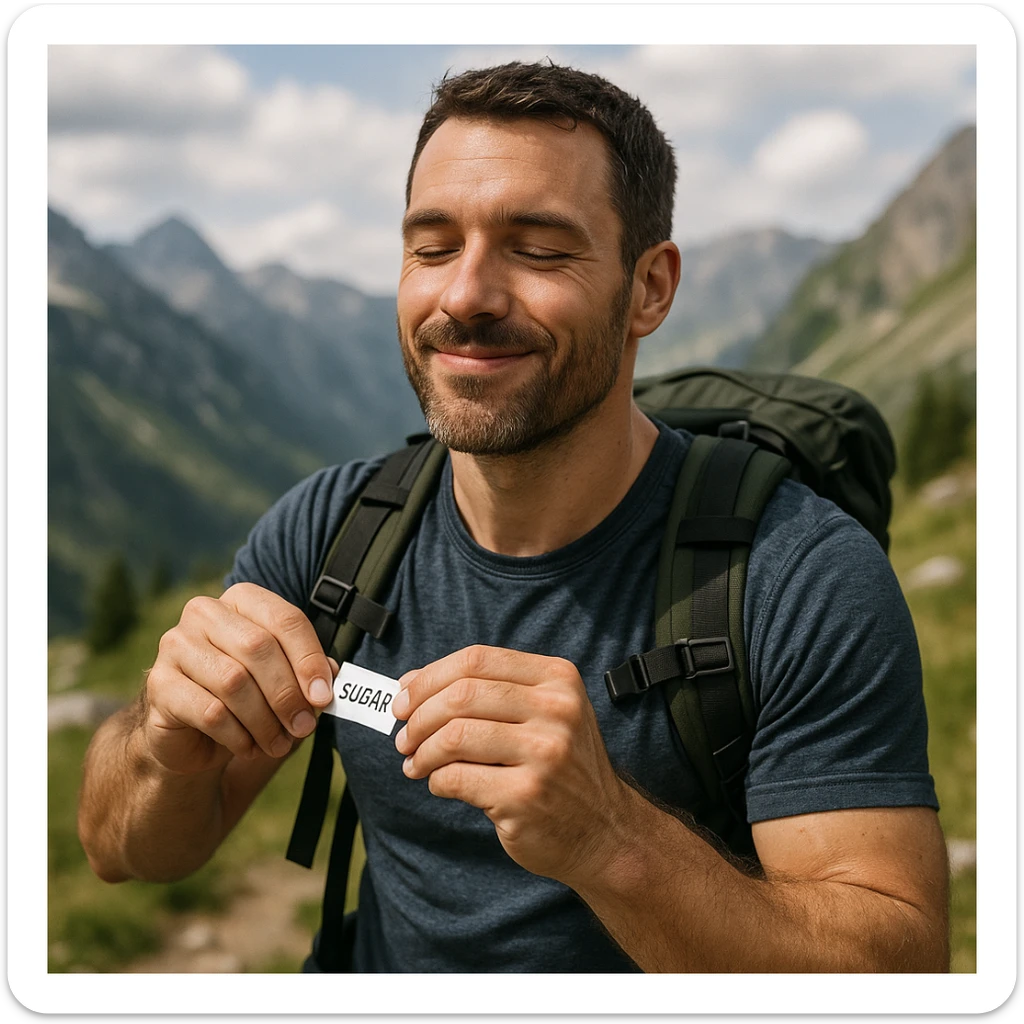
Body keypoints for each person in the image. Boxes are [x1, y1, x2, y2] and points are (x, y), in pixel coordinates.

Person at [77, 61, 949, 973]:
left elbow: (900, 969)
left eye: (538, 248)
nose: (465, 296)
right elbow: (125, 850)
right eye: (433, 244)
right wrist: (159, 742)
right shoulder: (332, 537)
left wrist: (612, 839)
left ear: (650, 288)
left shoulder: (799, 578)